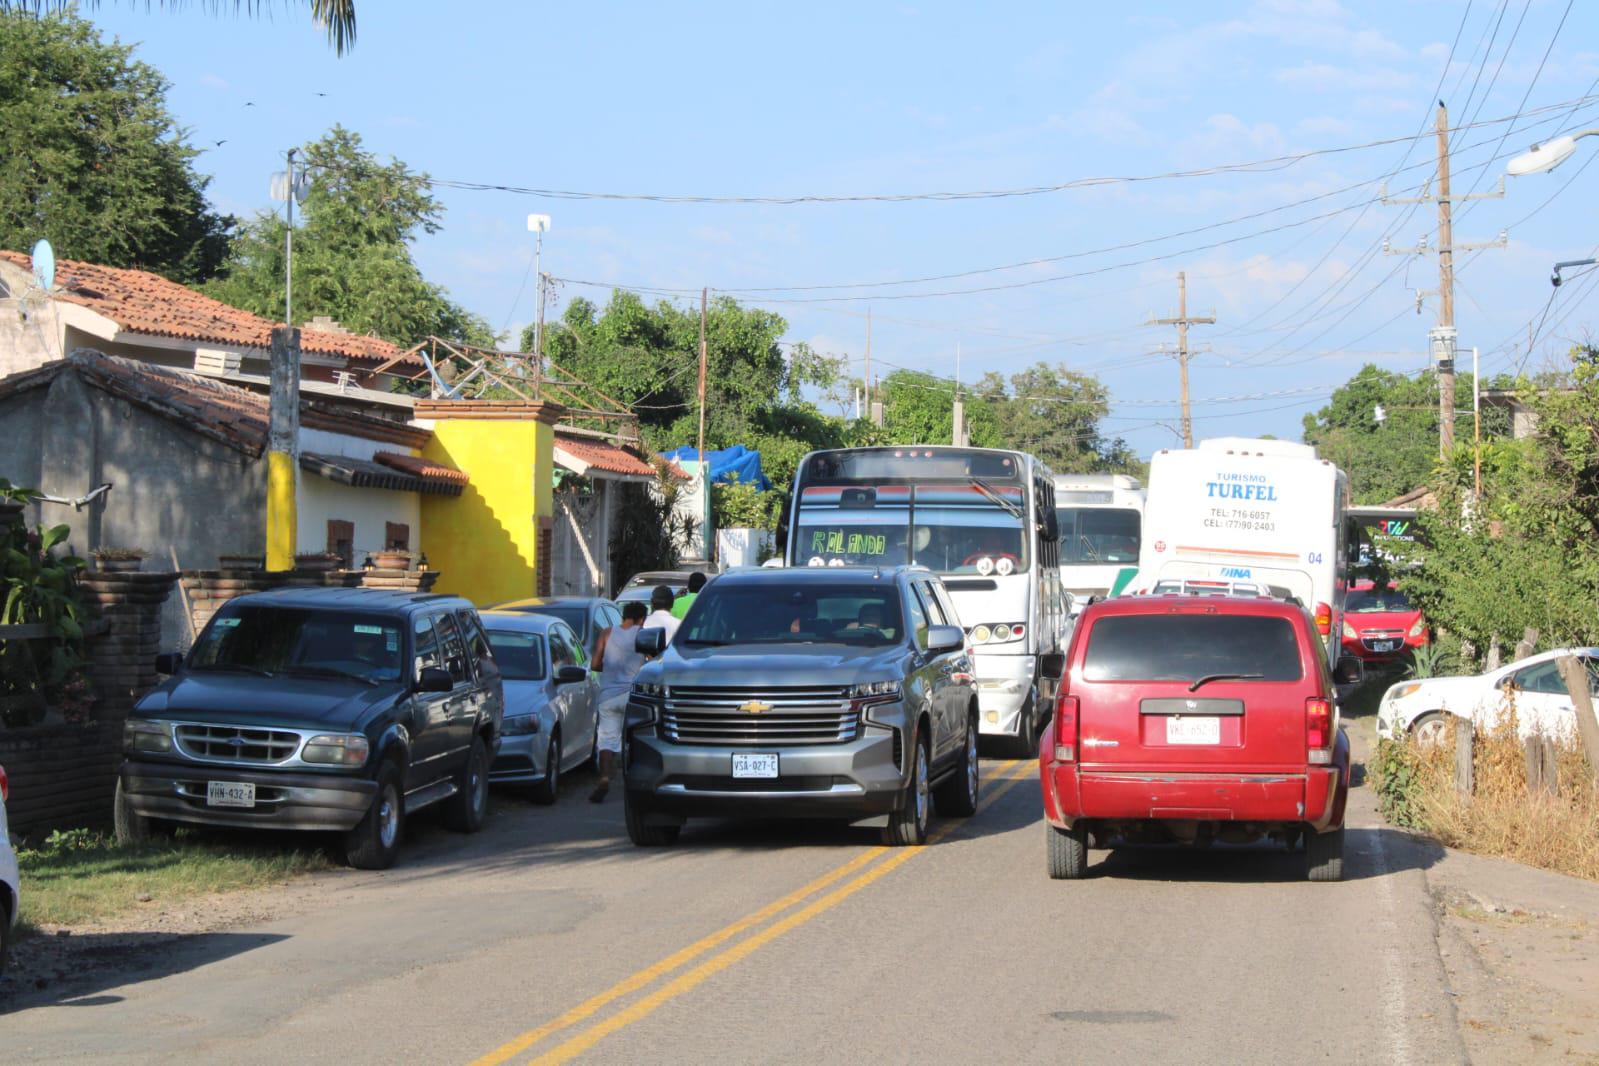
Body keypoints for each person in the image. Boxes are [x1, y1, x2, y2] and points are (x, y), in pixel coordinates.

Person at [589, 601, 650, 803]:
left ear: (624, 616)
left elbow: (595, 664)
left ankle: (605, 778)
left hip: (608, 695)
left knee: (606, 739)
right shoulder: (642, 635)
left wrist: (609, 671)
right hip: (632, 696)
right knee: (636, 737)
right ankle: (637, 780)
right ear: (641, 619)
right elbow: (655, 662)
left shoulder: (607, 633)